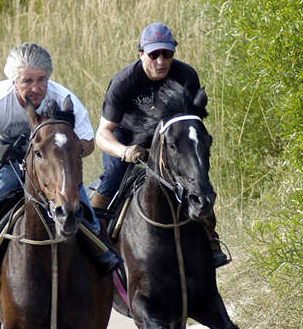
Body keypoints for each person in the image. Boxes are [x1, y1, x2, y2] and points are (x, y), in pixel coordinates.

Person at [0, 41, 122, 286]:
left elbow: (88, 142)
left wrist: (66, 153)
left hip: (50, 153)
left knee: (69, 186)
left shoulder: (64, 99)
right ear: (14, 82)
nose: (35, 88)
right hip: (5, 151)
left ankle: (98, 244)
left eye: (41, 80)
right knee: (6, 183)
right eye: (27, 81)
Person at [92, 22, 230, 267]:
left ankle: (210, 237)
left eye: (167, 54)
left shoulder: (186, 75)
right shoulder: (124, 81)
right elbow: (103, 134)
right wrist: (125, 151)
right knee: (113, 176)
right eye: (154, 54)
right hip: (128, 141)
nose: (161, 61)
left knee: (195, 175)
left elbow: (191, 120)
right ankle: (95, 239)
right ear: (141, 53)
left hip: (168, 140)